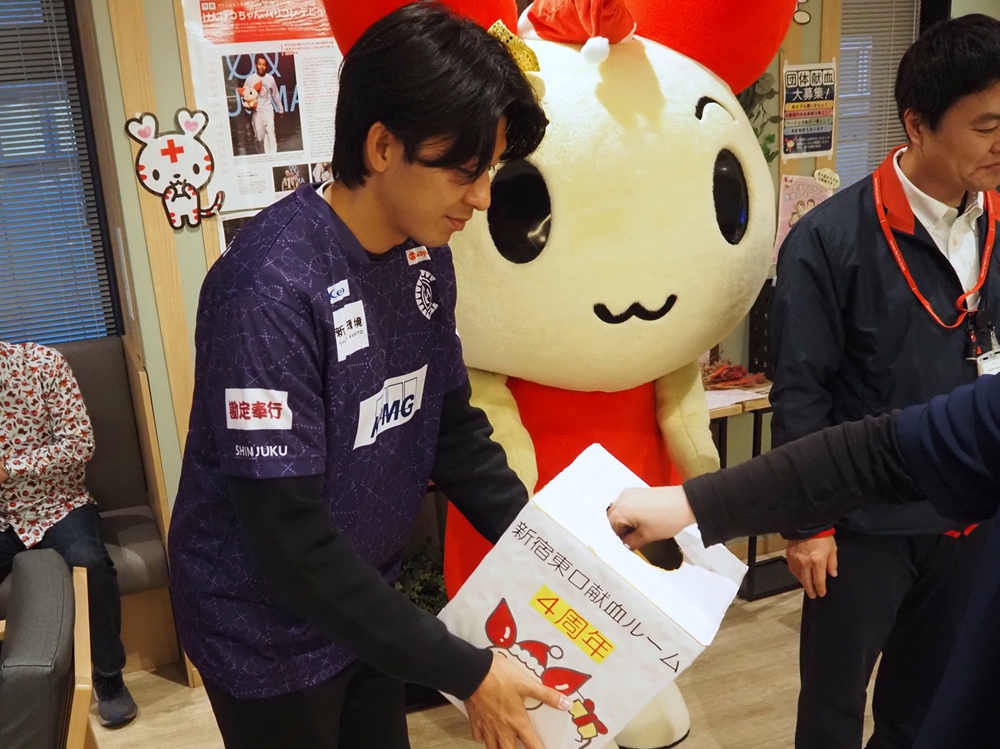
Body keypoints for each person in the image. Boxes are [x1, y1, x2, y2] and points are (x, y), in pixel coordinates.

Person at [168, 4, 562, 749]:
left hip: (367, 603)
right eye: (465, 170)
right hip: (265, 631)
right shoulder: (270, 289)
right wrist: (469, 672)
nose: (482, 197)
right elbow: (290, 539)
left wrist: (552, 551)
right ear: (383, 146)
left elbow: (453, 430)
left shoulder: (425, 254)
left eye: (489, 171)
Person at [765, 15, 1000, 749]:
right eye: (987, 126)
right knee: (833, 706)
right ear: (918, 124)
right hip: (862, 526)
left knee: (925, 705)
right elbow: (800, 389)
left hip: (970, 515)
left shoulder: (997, 220)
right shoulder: (830, 238)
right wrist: (806, 524)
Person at [607, 371, 1000, 749]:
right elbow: (874, 449)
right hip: (861, 529)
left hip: (962, 531)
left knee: (919, 697)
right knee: (835, 694)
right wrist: (695, 503)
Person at [0, 341, 137, 728]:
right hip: (2, 517)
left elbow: (79, 443)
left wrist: (10, 468)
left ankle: (109, 676)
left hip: (58, 503)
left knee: (88, 560)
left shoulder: (43, 364)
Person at [244, 54, 284, 154]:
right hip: (256, 112)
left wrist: (280, 108)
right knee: (259, 137)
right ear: (256, 65)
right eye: (259, 64)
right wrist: (247, 106)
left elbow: (275, 94)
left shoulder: (270, 79)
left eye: (264, 65)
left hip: (268, 110)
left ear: (266, 66)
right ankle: (261, 155)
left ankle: (272, 155)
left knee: (271, 133)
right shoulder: (250, 79)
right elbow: (244, 96)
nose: (261, 67)